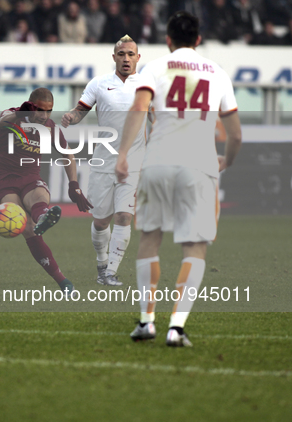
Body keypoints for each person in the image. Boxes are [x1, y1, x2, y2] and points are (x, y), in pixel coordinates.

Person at [115, 11, 242, 346]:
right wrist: (225, 161)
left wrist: (124, 154)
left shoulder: (155, 68)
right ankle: (177, 327)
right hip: (199, 165)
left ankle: (146, 321)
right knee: (195, 246)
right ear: (198, 40)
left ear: (168, 40)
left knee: (149, 237)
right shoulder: (217, 73)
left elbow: (139, 109)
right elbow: (235, 134)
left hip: (157, 162)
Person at [61, 35, 145, 287]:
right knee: (100, 221)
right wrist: (71, 118)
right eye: (122, 54)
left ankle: (110, 272)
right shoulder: (99, 84)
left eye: (131, 54)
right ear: (114, 57)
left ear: (138, 58)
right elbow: (80, 111)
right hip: (103, 161)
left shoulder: (147, 86)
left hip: (133, 162)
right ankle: (101, 262)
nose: (126, 58)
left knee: (123, 217)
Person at [0, 88, 93, 296]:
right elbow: (2, 124)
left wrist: (74, 185)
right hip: (3, 181)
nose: (44, 116)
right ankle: (61, 279)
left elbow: (68, 155)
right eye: (40, 110)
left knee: (38, 195)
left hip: (30, 177)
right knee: (26, 226)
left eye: (49, 111)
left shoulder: (49, 127)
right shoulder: (11, 115)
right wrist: (22, 113)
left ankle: (43, 217)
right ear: (30, 105)